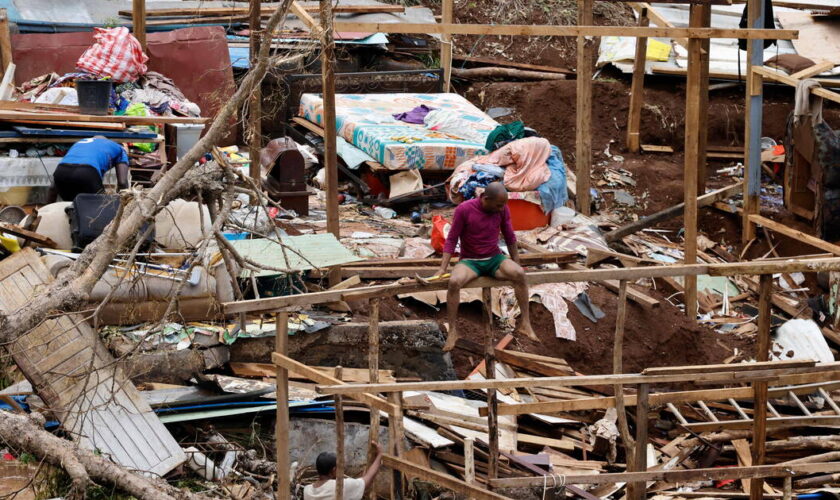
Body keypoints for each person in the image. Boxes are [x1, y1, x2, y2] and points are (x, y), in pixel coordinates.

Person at [436, 182, 538, 351]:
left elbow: (510, 236)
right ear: (485, 198)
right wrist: (442, 268)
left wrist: (516, 262)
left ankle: (525, 323)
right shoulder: (464, 209)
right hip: (470, 261)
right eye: (498, 205)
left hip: (495, 259)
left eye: (503, 205)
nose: (501, 208)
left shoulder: (502, 209)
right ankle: (453, 331)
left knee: (519, 274)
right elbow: (452, 239)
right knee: (454, 282)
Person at [50, 136, 129, 202]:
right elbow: (122, 182)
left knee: (72, 207)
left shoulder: (80, 142)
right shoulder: (120, 149)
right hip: (87, 173)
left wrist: (46, 209)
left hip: (61, 173)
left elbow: (52, 188)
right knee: (101, 209)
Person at [303, 441, 384, 500]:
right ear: (334, 470)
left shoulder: (307, 490)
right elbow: (367, 480)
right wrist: (380, 455)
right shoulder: (339, 486)